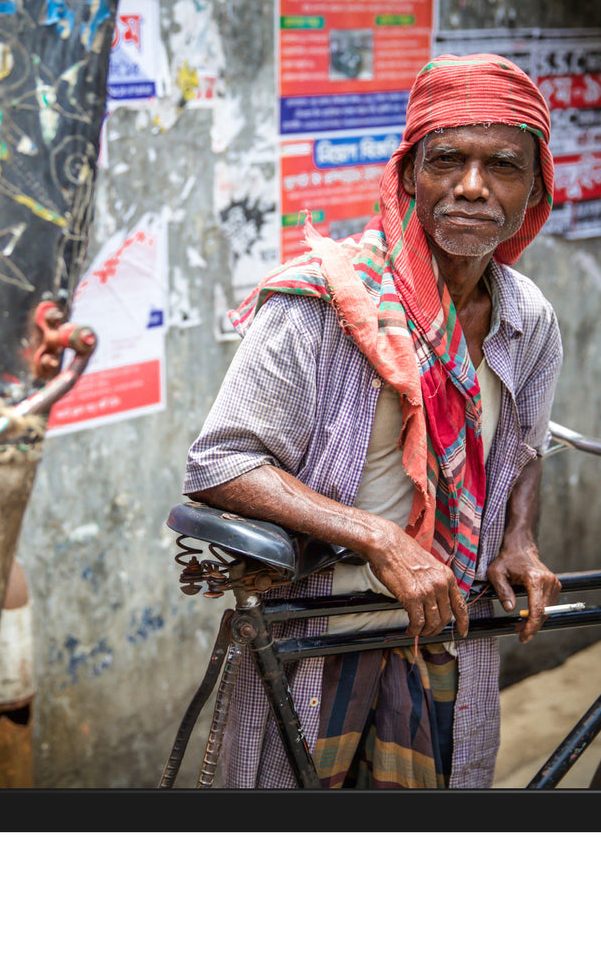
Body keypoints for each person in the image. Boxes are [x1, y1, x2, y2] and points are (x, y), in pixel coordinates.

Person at [183, 53, 563, 789]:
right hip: (321, 634)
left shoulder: (528, 319)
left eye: (504, 166)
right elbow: (221, 463)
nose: (473, 187)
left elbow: (523, 445)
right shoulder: (321, 306)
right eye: (447, 159)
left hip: (446, 628)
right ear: (409, 175)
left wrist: (518, 537)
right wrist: (381, 537)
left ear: (537, 188)